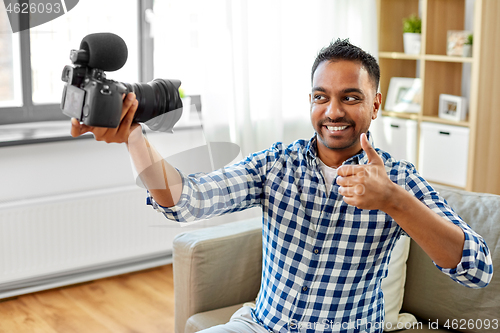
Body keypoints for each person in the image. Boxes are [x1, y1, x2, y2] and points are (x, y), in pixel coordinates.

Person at [71, 39, 493, 333]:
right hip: (261, 325)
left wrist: (394, 202)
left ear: (375, 104)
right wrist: (133, 136)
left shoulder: (399, 181)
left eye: (350, 97)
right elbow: (185, 201)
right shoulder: (277, 163)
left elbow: (477, 270)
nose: (333, 111)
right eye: (320, 97)